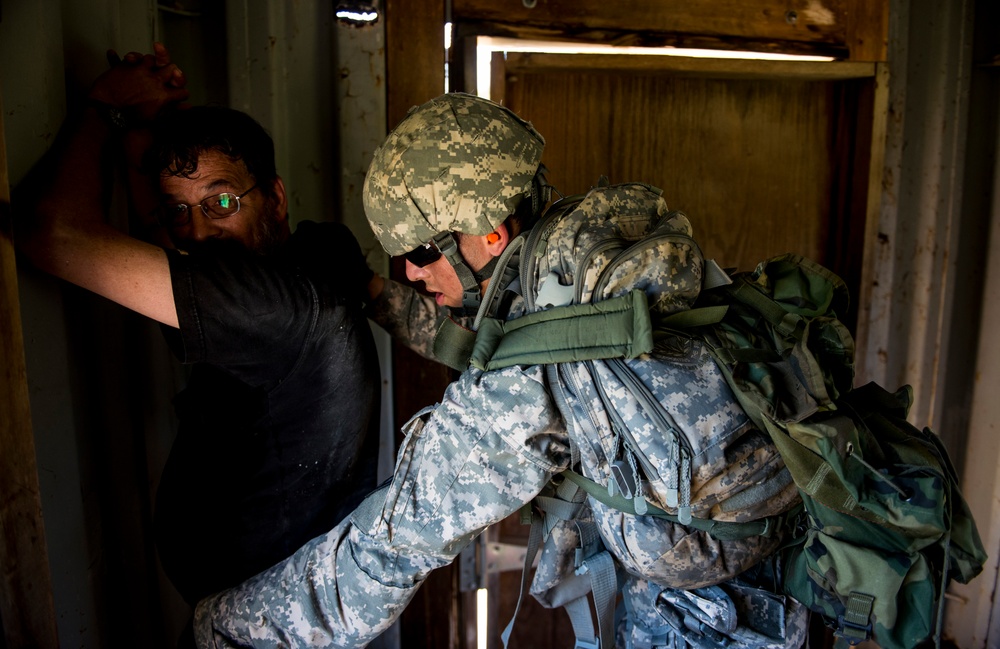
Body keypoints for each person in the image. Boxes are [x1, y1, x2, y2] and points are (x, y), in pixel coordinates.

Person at [193, 93, 806, 648]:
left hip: (711, 623)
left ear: (490, 233)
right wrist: (373, 290)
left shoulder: (526, 379)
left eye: (421, 252)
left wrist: (223, 625)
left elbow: (389, 547)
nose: (410, 272)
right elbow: (488, 339)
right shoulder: (570, 258)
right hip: (760, 581)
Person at [15, 43, 382, 610]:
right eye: (179, 210)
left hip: (268, 620)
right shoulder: (317, 250)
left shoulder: (262, 306)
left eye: (223, 202)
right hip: (290, 600)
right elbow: (164, 236)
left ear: (276, 197)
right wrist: (148, 120)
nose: (198, 232)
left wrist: (103, 108)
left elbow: (50, 234)